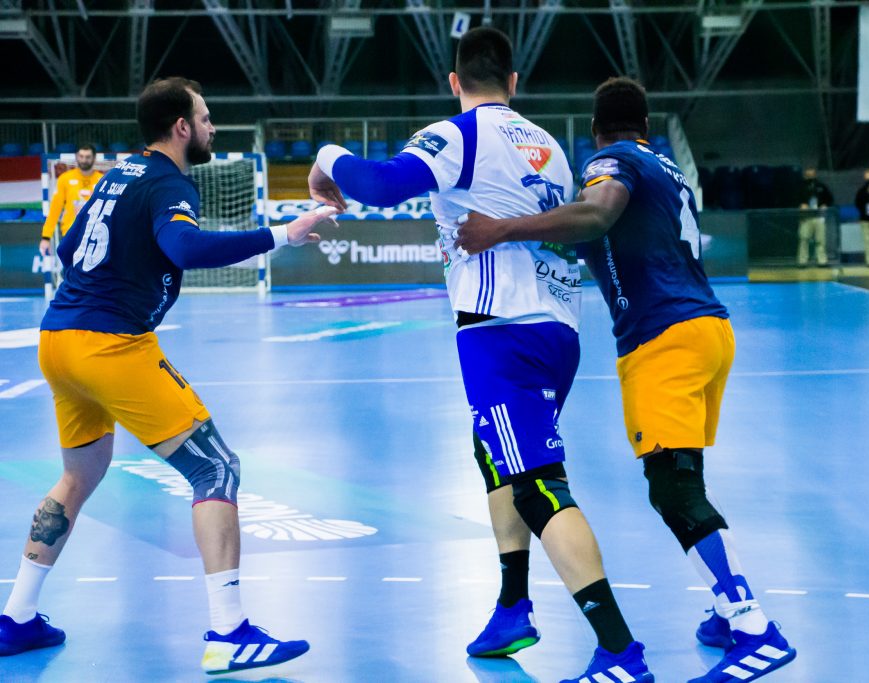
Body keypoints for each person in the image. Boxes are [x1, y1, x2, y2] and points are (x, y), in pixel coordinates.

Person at [308, 27, 653, 683]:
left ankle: (620, 650)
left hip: (501, 330)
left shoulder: (459, 134)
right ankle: (512, 605)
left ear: (454, 82)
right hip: (558, 328)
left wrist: (327, 154)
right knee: (493, 451)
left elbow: (381, 185)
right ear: (513, 82)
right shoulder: (549, 146)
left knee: (540, 485)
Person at [455, 77, 797, 683]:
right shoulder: (667, 168)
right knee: (685, 478)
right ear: (647, 126)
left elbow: (597, 214)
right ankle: (726, 614)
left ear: (596, 131)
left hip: (662, 338)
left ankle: (753, 628)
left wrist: (501, 229)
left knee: (673, 491)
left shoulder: (610, 162)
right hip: (709, 331)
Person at [0, 77, 334, 674]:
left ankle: (18, 616)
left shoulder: (120, 173)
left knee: (79, 474)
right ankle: (229, 632)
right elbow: (184, 248)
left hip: (57, 340)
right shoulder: (169, 183)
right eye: (205, 117)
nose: (211, 127)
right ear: (181, 127)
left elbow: (71, 248)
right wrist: (284, 234)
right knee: (216, 467)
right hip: (110, 344)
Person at [39, 143, 103, 256]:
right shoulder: (65, 179)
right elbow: (55, 209)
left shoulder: (102, 180)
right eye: (81, 156)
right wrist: (46, 237)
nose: (84, 160)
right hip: (70, 233)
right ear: (77, 157)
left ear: (94, 158)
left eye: (88, 157)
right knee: (70, 267)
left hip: (95, 234)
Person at [796, 167, 833, 267]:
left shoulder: (821, 186)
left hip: (819, 216)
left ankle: (822, 261)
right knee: (804, 238)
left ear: (815, 174)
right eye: (808, 172)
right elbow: (794, 199)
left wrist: (825, 205)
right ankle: (802, 261)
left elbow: (829, 199)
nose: (810, 174)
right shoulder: (800, 186)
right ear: (805, 174)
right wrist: (801, 205)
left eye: (812, 172)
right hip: (806, 217)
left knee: (820, 239)